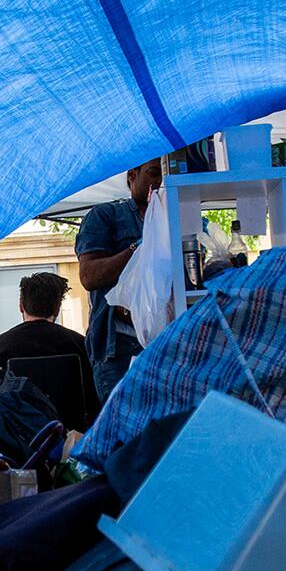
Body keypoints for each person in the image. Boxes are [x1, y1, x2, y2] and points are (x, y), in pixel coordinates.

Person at [76, 159, 162, 402]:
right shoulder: (106, 215)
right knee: (126, 433)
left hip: (168, 343)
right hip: (122, 346)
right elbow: (89, 276)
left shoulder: (177, 214)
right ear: (131, 176)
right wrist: (140, 248)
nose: (160, 183)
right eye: (154, 173)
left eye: (166, 175)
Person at [0, 271, 98, 428]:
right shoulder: (80, 344)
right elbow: (93, 398)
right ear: (57, 309)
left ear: (21, 306)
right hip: (71, 435)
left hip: (15, 439)